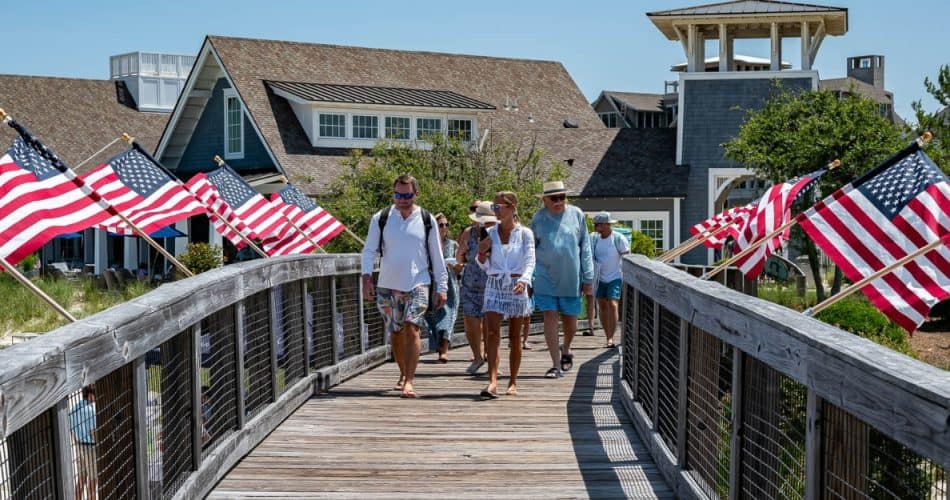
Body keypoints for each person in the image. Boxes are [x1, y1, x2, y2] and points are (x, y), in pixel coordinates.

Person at [362, 174, 448, 399]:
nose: (402, 199)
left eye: (407, 195)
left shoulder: (426, 219)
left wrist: (442, 287)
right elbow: (369, 250)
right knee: (396, 332)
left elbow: (437, 256)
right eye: (398, 195)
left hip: (418, 282)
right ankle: (402, 372)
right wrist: (366, 277)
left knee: (412, 327)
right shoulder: (380, 218)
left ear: (416, 194)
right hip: (388, 284)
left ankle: (409, 380)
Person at [531, 181, 593, 379]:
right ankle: (556, 364)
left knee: (571, 322)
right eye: (554, 198)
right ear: (545, 200)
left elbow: (586, 248)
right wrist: (529, 277)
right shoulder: (538, 219)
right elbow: (531, 250)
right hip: (544, 277)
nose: (559, 201)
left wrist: (588, 277)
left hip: (571, 278)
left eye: (562, 197)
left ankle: (566, 347)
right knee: (549, 316)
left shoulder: (577, 215)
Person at [477, 192, 535, 397]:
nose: (496, 211)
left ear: (512, 208)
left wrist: (524, 281)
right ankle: (492, 381)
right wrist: (482, 252)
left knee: (514, 336)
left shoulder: (525, 233)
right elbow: (482, 265)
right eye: (494, 207)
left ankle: (513, 381)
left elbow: (530, 260)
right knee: (492, 333)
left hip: (516, 284)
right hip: (495, 283)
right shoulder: (491, 233)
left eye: (498, 207)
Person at [456, 201, 496, 374]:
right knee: (471, 324)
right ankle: (477, 357)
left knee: (490, 326)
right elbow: (459, 260)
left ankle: (491, 359)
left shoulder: (498, 235)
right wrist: (461, 252)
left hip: (491, 286)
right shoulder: (468, 233)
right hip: (470, 285)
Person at [424, 213, 460, 363]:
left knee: (447, 317)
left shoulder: (454, 245)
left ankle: (444, 351)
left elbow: (460, 268)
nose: (444, 227)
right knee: (431, 318)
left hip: (450, 286)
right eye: (441, 225)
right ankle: (439, 347)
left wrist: (455, 265)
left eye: (446, 225)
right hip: (431, 285)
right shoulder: (427, 245)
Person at [590, 212, 629, 348]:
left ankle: (611, 338)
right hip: (599, 278)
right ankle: (608, 336)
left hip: (615, 277)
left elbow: (627, 257)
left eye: (598, 224)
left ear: (606, 225)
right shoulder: (594, 239)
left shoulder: (619, 238)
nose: (595, 226)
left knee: (612, 304)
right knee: (602, 305)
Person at [69, 386, 97, 500]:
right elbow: (93, 432)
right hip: (90, 447)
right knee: (93, 480)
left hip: (78, 445)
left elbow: (71, 430)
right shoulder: (90, 410)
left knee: (81, 479)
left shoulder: (74, 409)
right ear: (90, 395)